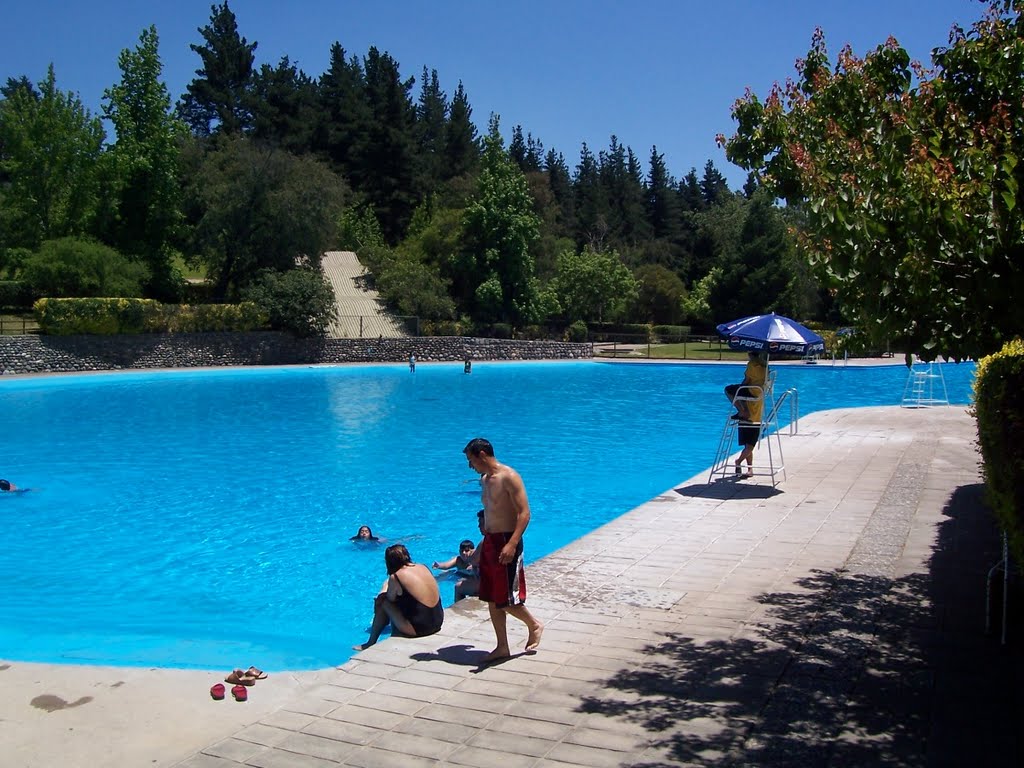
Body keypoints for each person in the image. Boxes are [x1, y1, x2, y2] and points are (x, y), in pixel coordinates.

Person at [463, 437, 543, 661]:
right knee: (491, 596)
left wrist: (512, 543)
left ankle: (534, 625)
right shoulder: (484, 479)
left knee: (506, 598)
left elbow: (524, 513)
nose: (470, 466)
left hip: (507, 540)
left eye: (471, 460)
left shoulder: (509, 477)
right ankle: (502, 646)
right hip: (490, 540)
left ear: (481, 455)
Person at [354, 544, 443, 650]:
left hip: (421, 629)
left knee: (382, 601)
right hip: (438, 621)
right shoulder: (423, 566)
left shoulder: (396, 576)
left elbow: (390, 599)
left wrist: (382, 593)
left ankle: (370, 642)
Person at [725, 351, 768, 420]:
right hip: (762, 390)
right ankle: (745, 411)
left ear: (750, 354)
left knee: (728, 390)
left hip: (753, 390)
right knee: (740, 391)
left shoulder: (752, 364)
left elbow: (747, 380)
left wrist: (741, 386)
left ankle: (743, 412)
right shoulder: (764, 363)